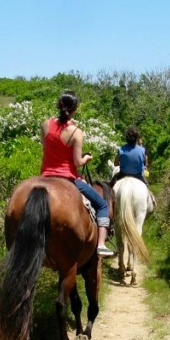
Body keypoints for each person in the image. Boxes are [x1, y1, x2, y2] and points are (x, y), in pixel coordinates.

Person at [40, 91, 115, 257]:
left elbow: (45, 147)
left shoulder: (45, 124)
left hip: (45, 176)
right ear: (75, 109)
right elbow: (76, 163)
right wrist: (86, 158)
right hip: (67, 178)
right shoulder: (75, 132)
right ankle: (101, 244)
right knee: (102, 204)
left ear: (59, 105)